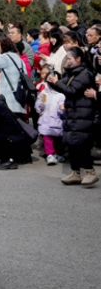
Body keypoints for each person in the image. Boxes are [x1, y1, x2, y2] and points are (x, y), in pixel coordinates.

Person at [47, 47, 98, 187]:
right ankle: (75, 172)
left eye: (69, 59)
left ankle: (90, 172)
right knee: (72, 144)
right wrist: (52, 81)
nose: (68, 61)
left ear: (78, 59)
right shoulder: (72, 74)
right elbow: (63, 87)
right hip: (73, 114)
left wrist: (57, 82)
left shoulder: (84, 74)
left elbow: (72, 91)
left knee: (81, 145)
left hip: (83, 114)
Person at [34, 64, 65, 166]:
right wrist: (40, 107)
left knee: (58, 139)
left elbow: (63, 107)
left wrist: (62, 109)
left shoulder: (61, 94)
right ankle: (50, 154)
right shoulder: (44, 93)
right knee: (47, 138)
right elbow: (40, 102)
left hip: (57, 120)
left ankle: (57, 153)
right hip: (46, 119)